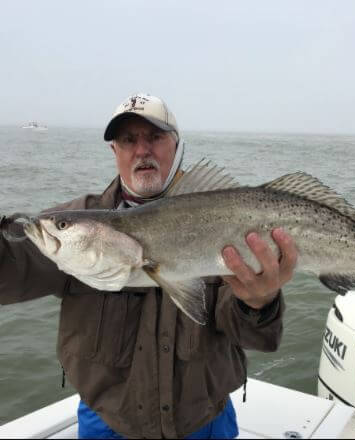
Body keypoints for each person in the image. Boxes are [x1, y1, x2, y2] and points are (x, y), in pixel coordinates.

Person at [0, 93, 298, 438]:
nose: (142, 150)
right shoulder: (70, 227)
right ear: (115, 151)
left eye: (155, 137)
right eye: (128, 140)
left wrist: (259, 304)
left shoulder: (227, 217)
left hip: (205, 420)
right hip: (108, 422)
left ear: (176, 144)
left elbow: (257, 338)